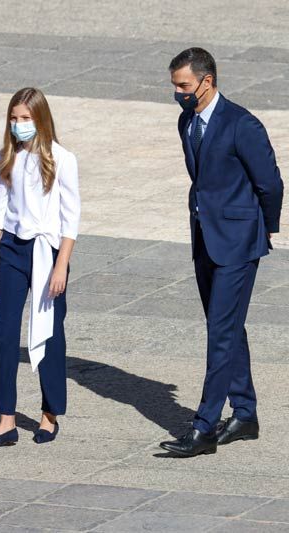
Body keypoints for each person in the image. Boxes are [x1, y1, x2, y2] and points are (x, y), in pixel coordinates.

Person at [159, 48, 283, 458]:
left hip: (238, 245)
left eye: (183, 86)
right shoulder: (187, 121)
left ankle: (204, 426)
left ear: (206, 82)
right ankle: (244, 413)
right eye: (176, 86)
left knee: (221, 333)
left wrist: (262, 229)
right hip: (205, 238)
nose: (178, 93)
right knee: (227, 326)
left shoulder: (241, 124)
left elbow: (270, 184)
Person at [0, 88, 81, 449]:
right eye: (14, 118)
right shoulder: (8, 157)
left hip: (49, 252)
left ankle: (49, 414)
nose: (19, 124)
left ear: (40, 119)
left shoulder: (62, 159)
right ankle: (5, 418)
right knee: (5, 332)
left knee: (50, 331)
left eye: (25, 118)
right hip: (13, 250)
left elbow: (71, 216)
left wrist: (61, 265)